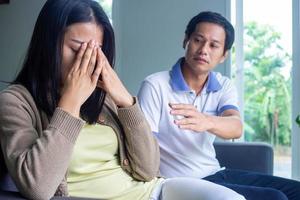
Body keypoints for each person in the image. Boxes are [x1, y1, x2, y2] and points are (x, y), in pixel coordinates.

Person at [0, 1, 246, 200]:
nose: (87, 61)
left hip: (153, 192)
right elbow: (38, 188)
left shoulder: (103, 98)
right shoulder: (16, 102)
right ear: (48, 44)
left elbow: (148, 170)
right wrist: (70, 102)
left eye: (96, 51)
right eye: (77, 49)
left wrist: (126, 101)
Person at [138, 11, 300, 200]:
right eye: (198, 40)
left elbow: (235, 127)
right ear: (186, 41)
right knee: (275, 197)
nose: (204, 50)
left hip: (215, 173)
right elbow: (142, 145)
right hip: (180, 182)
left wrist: (206, 120)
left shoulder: (223, 85)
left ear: (223, 55)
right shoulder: (155, 85)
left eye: (214, 45)